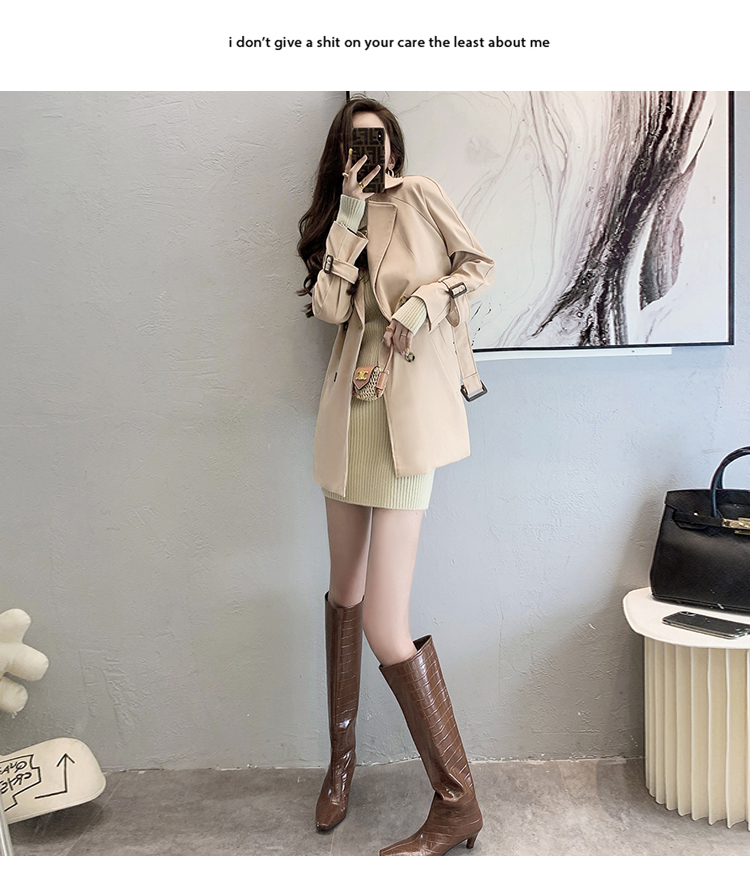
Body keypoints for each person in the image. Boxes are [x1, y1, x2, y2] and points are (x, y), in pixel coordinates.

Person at [297, 96, 495, 856]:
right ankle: (341, 763)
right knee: (343, 594)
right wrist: (346, 215)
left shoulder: (421, 196)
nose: (369, 149)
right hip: (348, 422)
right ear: (340, 150)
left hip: (405, 427)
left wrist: (421, 305)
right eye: (356, 139)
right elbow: (327, 310)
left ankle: (457, 802)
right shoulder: (339, 217)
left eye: (378, 138)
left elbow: (478, 267)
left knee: (386, 619)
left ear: (395, 145)